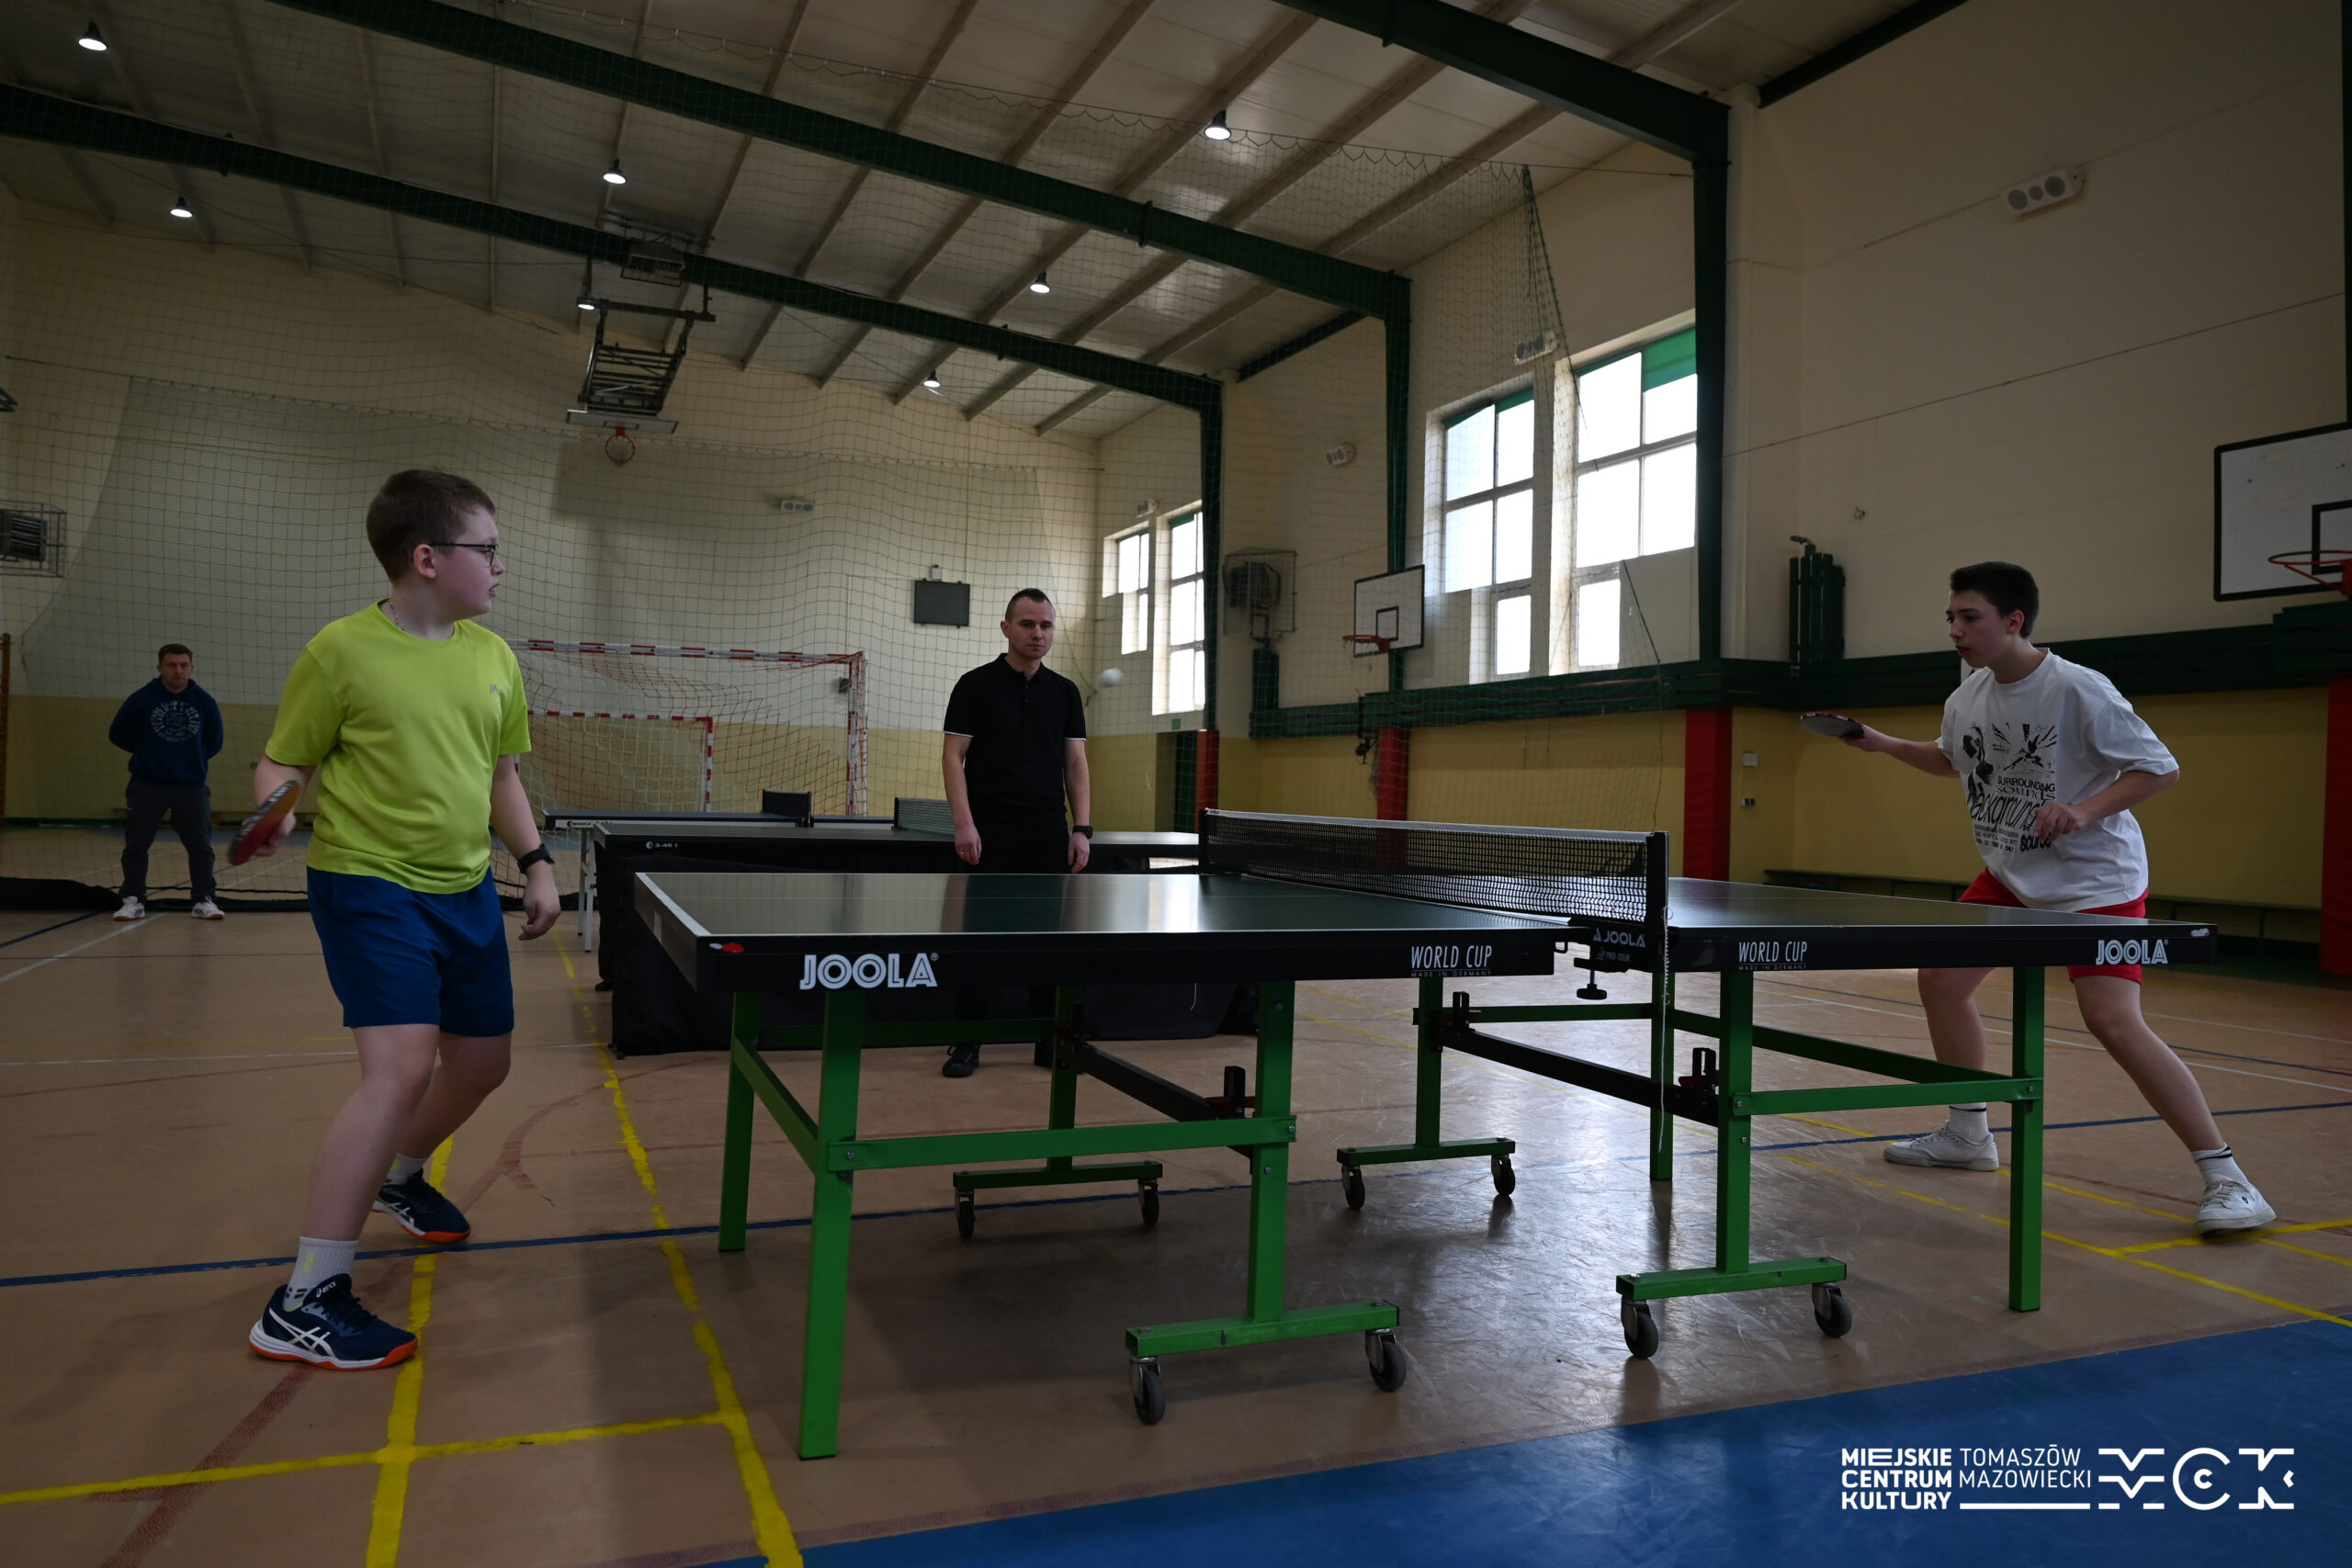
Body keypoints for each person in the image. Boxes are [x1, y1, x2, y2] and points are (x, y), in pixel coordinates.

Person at [1840, 560, 2273, 1235]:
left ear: (2014, 620)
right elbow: (1952, 759)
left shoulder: (2077, 688)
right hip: (2012, 873)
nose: (1955, 630)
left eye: (1970, 617)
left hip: (2096, 882)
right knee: (1942, 980)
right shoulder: (1968, 693)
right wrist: (1880, 743)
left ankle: (2229, 1178)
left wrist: (2083, 810)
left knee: (2112, 1020)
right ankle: (1968, 1132)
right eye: (1951, 617)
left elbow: (2159, 769)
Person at [243, 469, 560, 1370]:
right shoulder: (340, 651)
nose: (500, 565)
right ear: (427, 558)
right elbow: (283, 762)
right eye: (487, 549)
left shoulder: (493, 659)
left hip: (466, 889)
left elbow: (501, 777)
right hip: (369, 884)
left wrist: (537, 862)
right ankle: (304, 1300)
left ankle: (400, 1175)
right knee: (401, 1071)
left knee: (484, 1064)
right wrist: (276, 805)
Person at [937, 588, 1092, 1078]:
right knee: (977, 944)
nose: (1037, 633)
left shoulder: (1065, 692)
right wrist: (964, 823)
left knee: (1047, 946)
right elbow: (953, 757)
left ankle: (1050, 1042)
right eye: (1027, 624)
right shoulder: (974, 686)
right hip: (988, 837)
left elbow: (1076, 765)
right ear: (1006, 628)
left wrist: (1082, 828)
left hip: (1047, 836)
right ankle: (967, 1043)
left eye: (1045, 625)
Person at [108, 642, 226, 920]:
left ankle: (204, 900)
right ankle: (133, 899)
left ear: (191, 668)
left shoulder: (205, 702)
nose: (178, 671)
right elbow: (118, 733)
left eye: (184, 665)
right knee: (137, 845)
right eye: (172, 665)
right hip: (147, 784)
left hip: (191, 786)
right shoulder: (141, 699)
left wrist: (190, 759)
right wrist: (148, 754)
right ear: (160, 667)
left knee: (200, 846)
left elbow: (214, 741)